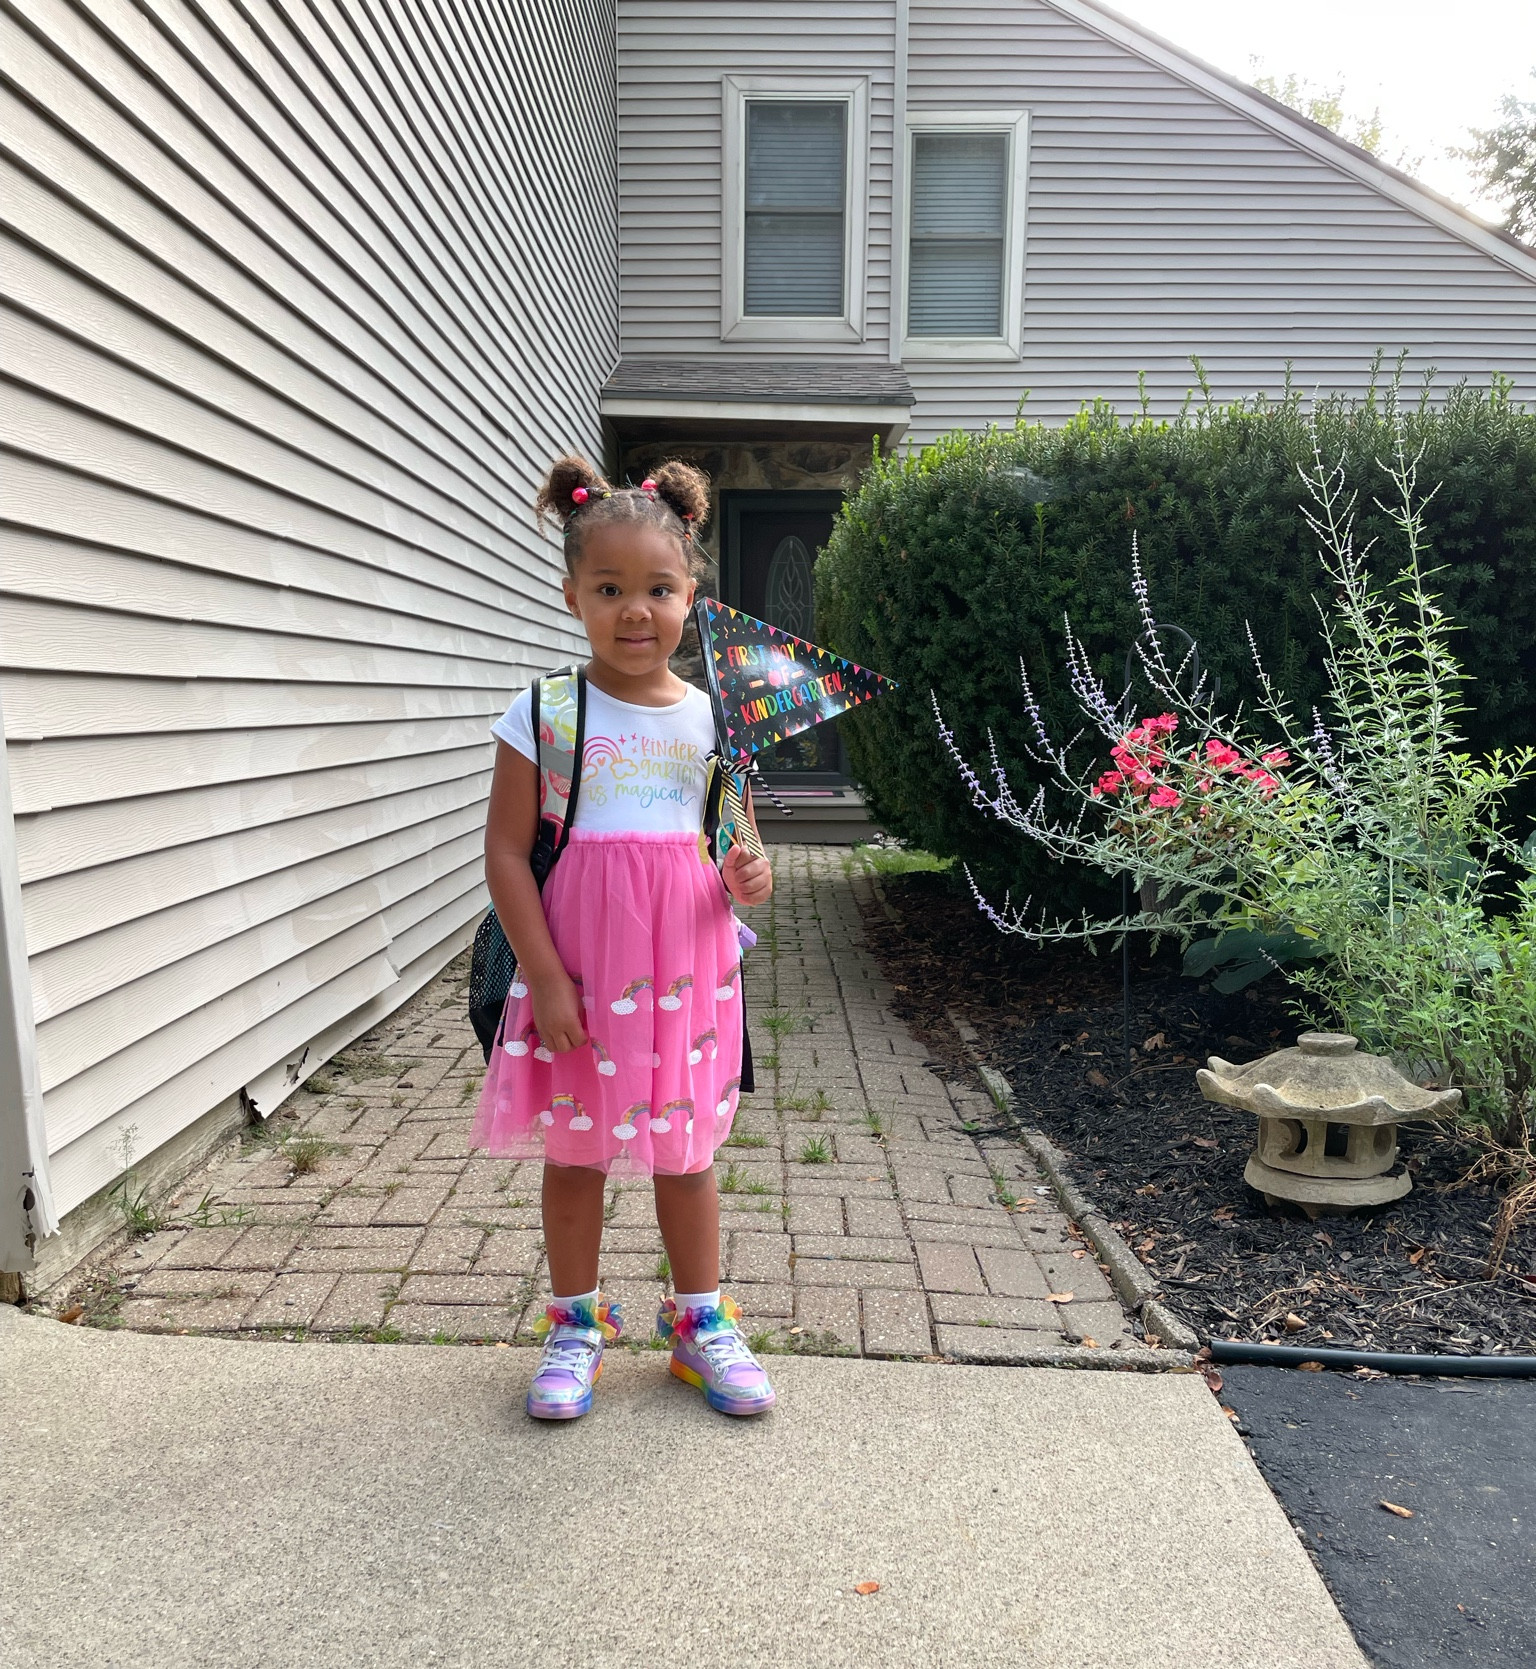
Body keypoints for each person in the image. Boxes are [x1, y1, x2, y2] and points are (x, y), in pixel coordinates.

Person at [474, 454, 778, 1421]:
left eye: (658, 588)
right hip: (580, 973)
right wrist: (545, 978)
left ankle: (699, 1323)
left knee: (686, 1151)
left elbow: (735, 839)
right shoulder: (546, 712)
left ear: (692, 593)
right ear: (573, 595)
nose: (635, 610)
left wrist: (753, 874)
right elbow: (507, 853)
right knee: (576, 1152)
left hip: (687, 972)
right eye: (610, 590)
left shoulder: (711, 716)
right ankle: (573, 1324)